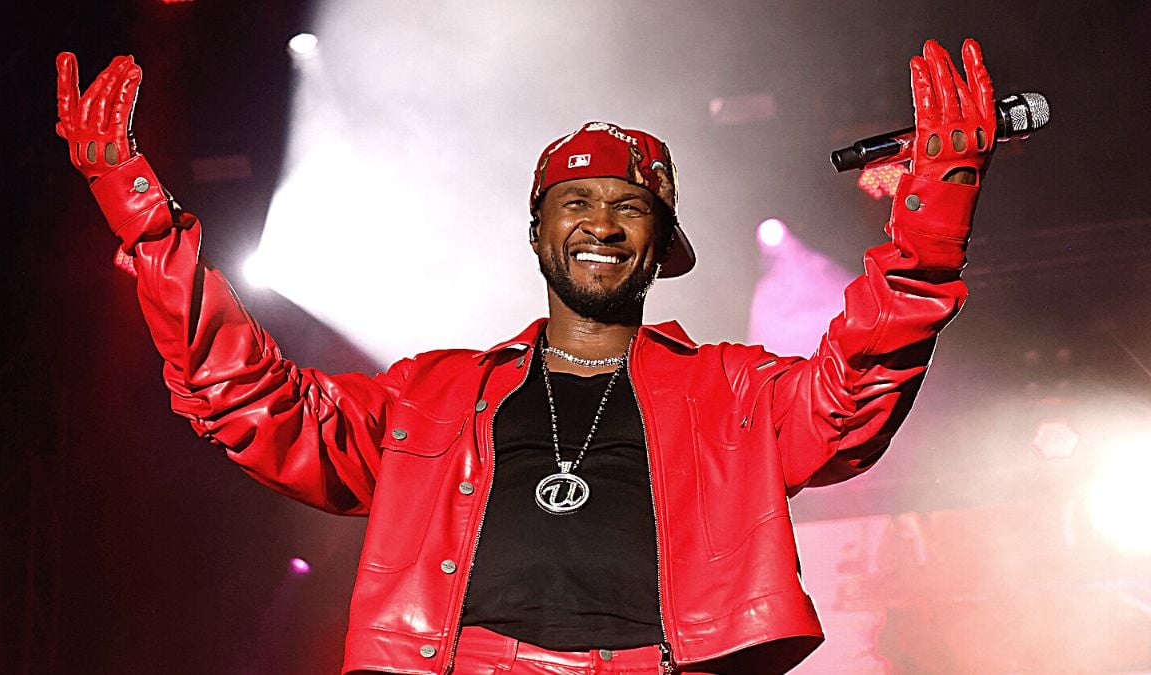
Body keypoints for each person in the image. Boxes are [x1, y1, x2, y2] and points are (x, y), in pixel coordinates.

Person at [55, 37, 996, 674]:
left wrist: (930, 224)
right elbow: (248, 399)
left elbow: (854, 391)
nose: (601, 221)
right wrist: (147, 224)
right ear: (538, 233)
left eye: (629, 206)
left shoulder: (733, 389)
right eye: (575, 203)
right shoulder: (433, 393)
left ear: (658, 242)